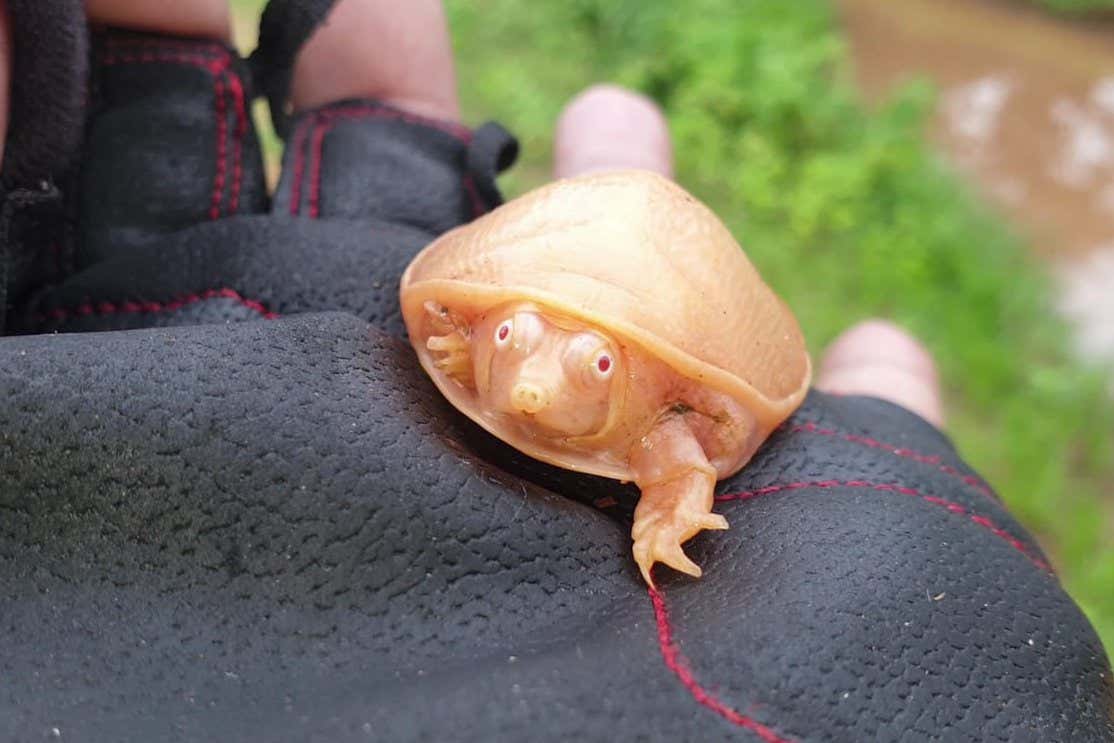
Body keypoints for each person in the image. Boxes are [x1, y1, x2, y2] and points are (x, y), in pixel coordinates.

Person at [0, 1, 1109, 741]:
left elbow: (685, 448)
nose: (527, 387)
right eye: (505, 342)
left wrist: (669, 512)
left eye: (582, 366)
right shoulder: (480, 328)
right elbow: (456, 314)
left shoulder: (664, 414)